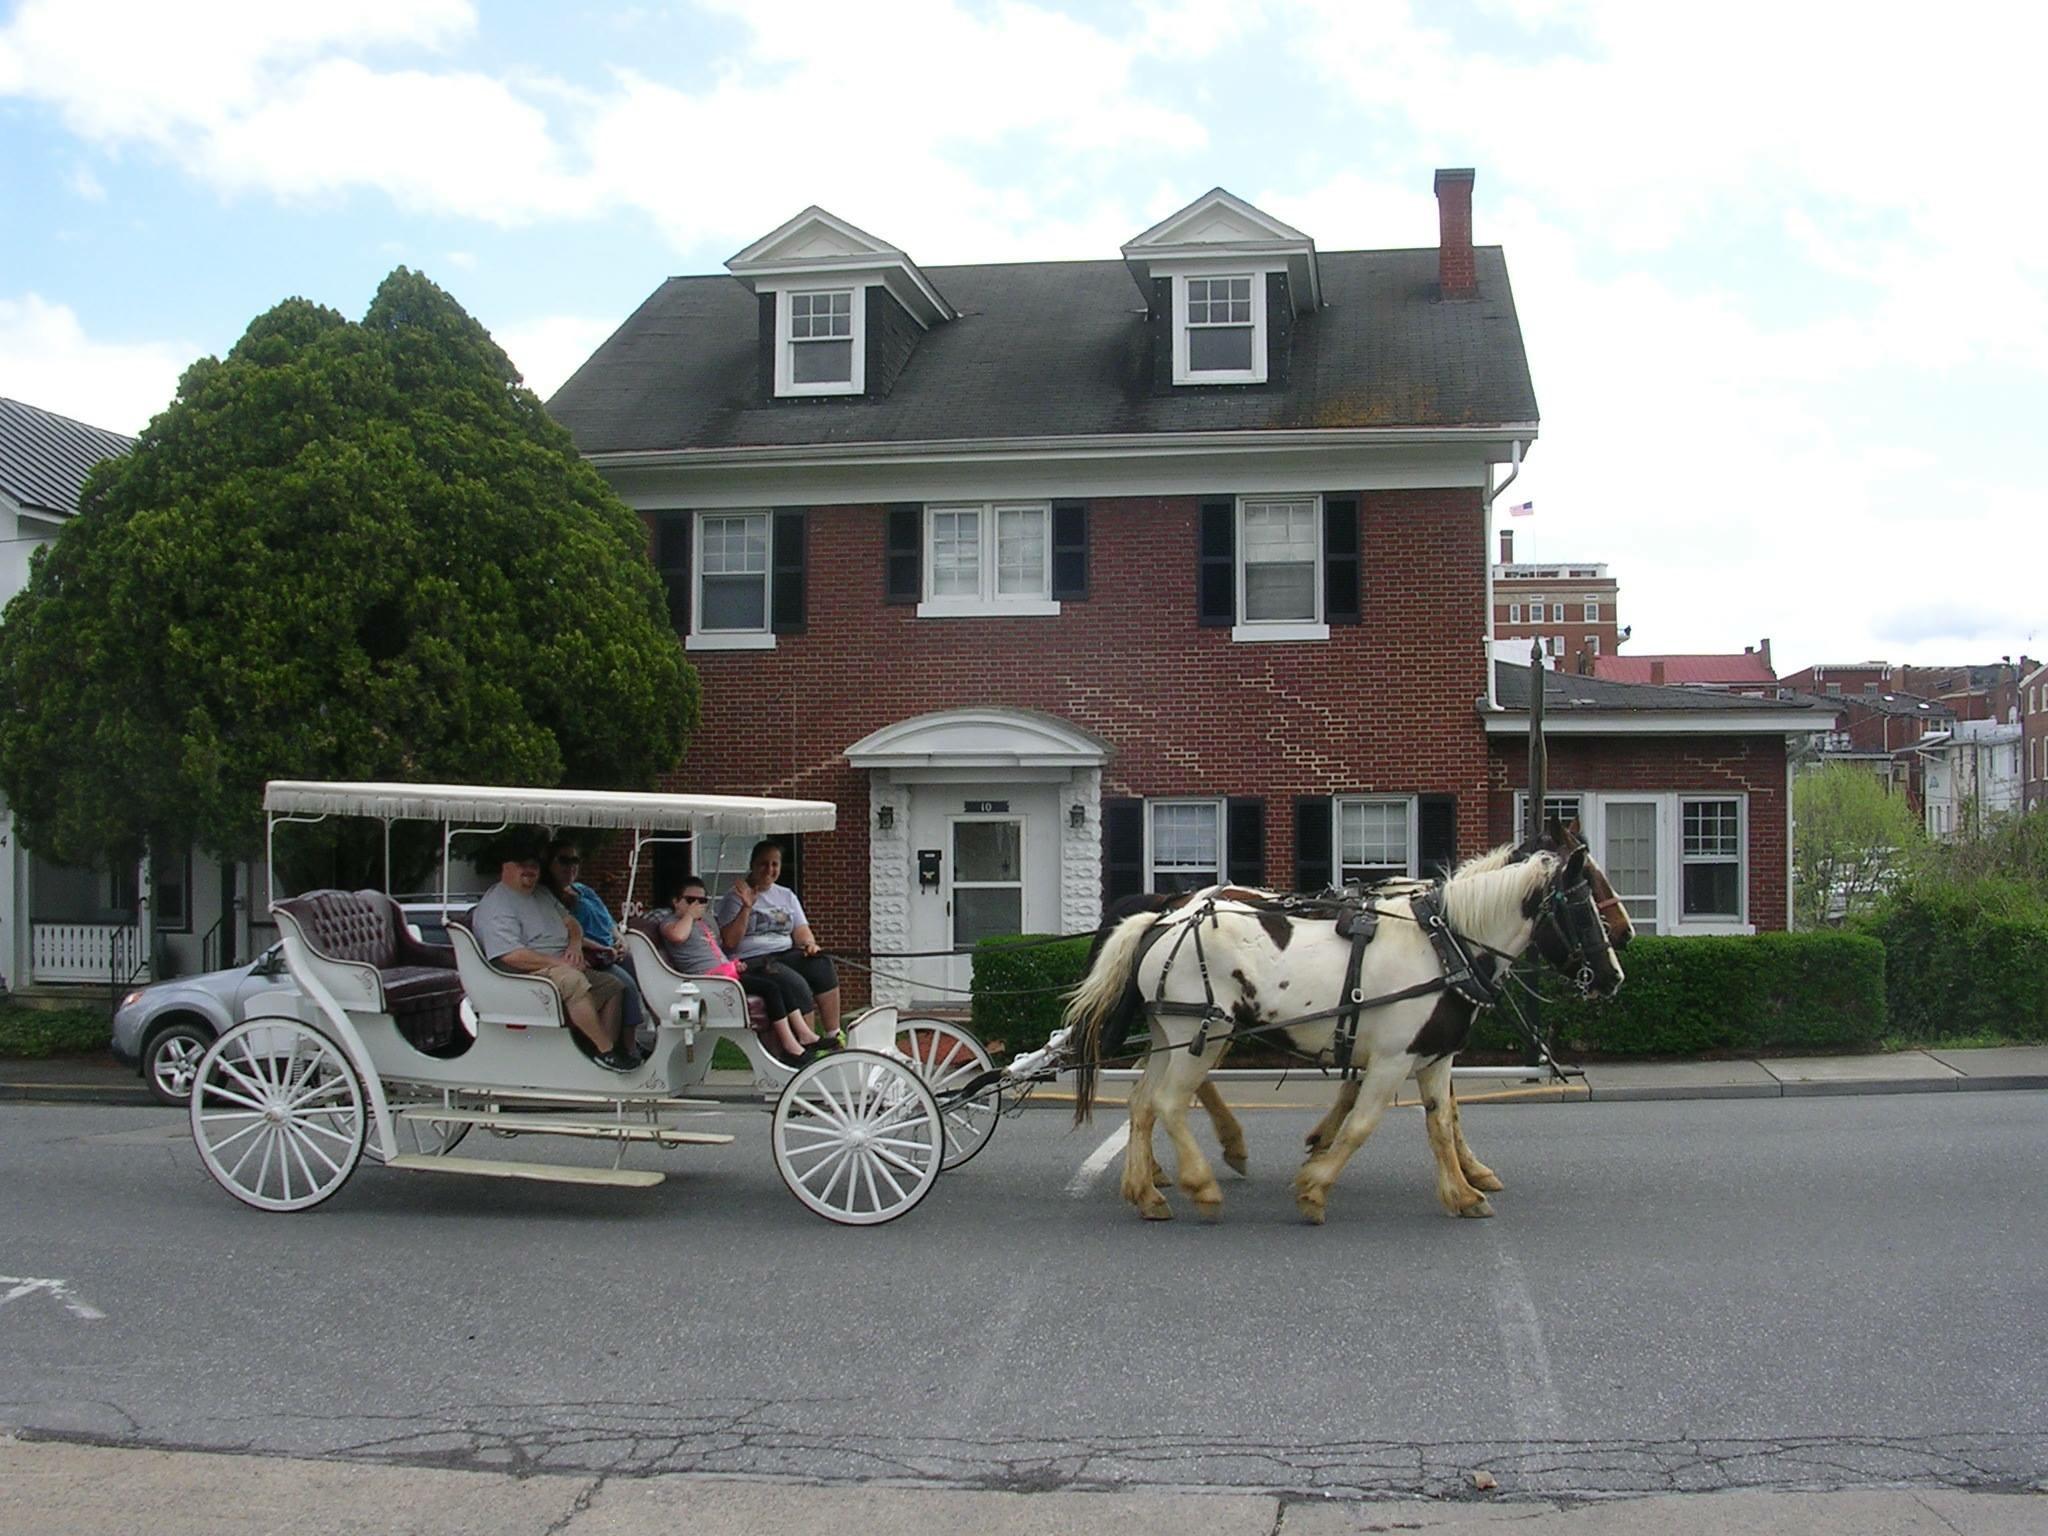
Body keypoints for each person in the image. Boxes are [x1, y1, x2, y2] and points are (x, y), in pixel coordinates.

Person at [471, 838, 636, 1072]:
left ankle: (600, 1056)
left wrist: (576, 946)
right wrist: (560, 962)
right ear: (505, 867)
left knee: (613, 985)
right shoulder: (497, 905)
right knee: (573, 980)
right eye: (521, 865)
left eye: (534, 866)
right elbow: (511, 956)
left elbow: (572, 924)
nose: (529, 870)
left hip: (557, 964)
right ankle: (607, 1050)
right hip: (524, 972)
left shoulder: (541, 894)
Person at [660, 876, 828, 1064]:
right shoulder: (670, 922)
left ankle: (805, 1034)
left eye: (702, 901)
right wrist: (689, 915)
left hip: (726, 973)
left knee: (777, 977)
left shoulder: (704, 922)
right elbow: (678, 936)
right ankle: (790, 1045)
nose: (697, 905)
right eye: (690, 900)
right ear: (676, 901)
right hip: (708, 981)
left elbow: (720, 950)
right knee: (769, 988)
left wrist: (734, 965)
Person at [714, 840, 842, 1041]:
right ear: (753, 865)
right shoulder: (735, 897)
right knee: (795, 982)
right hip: (752, 959)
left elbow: (801, 931)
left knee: (822, 964)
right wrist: (746, 907)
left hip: (784, 954)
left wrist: (809, 944)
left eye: (775, 864)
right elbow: (730, 942)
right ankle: (808, 1045)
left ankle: (834, 1035)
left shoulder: (786, 895)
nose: (769, 869)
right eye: (764, 864)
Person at [540, 838, 644, 1046]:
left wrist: (619, 939)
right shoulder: (549, 897)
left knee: (644, 974)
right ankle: (627, 1046)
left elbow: (607, 918)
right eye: (564, 860)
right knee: (627, 986)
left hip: (611, 950)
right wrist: (604, 949)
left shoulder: (583, 890)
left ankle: (657, 1031)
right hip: (591, 956)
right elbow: (563, 933)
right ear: (550, 863)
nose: (571, 866)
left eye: (575, 860)